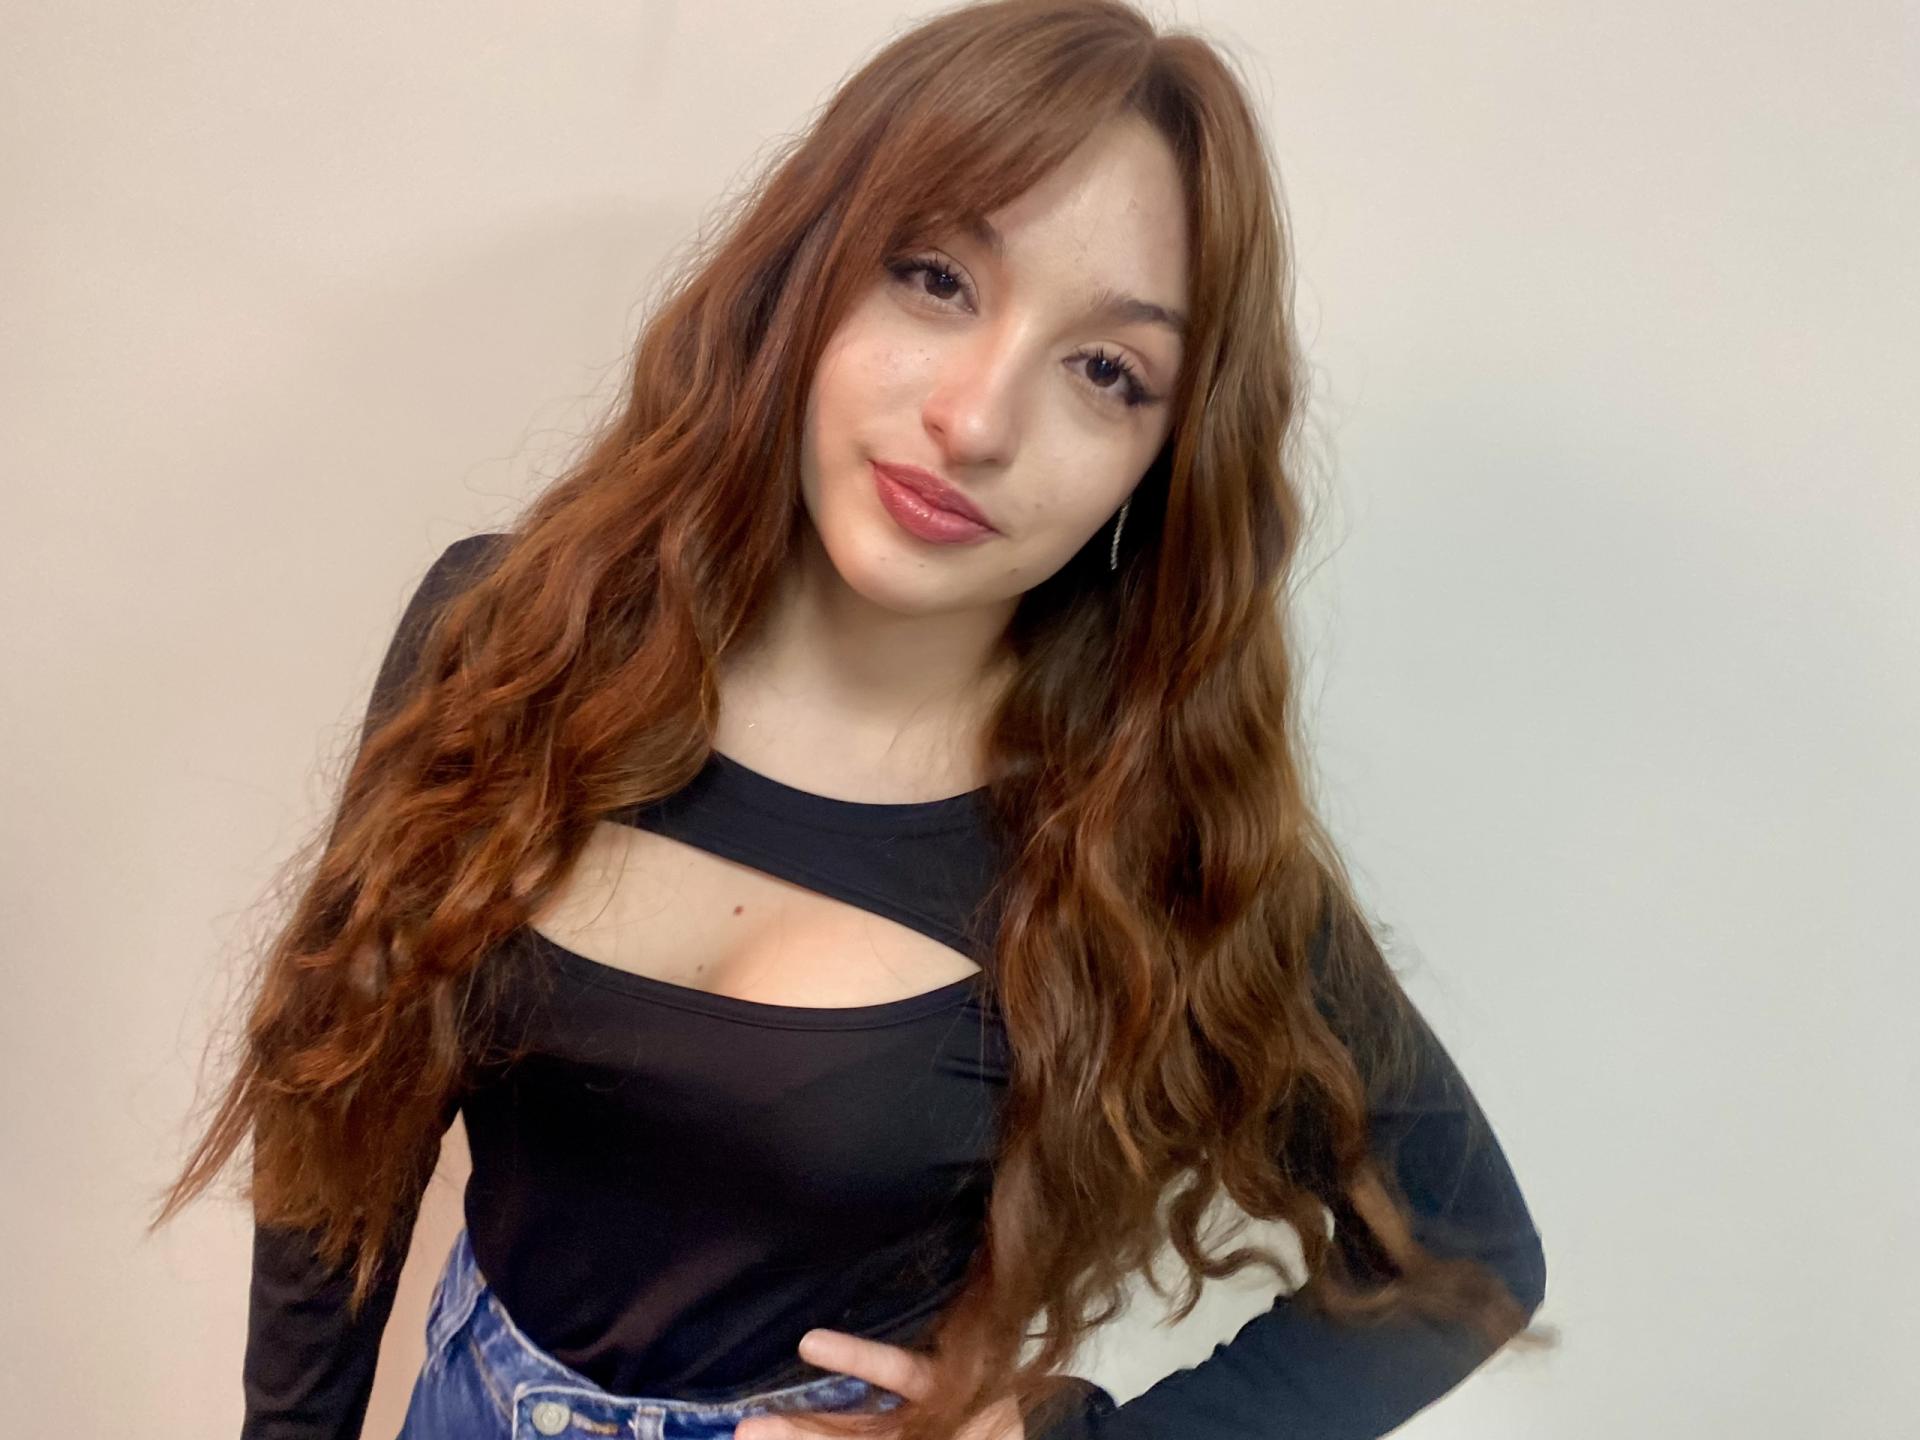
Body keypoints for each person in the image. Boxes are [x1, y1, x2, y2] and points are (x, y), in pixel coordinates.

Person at [154, 3, 1553, 1438]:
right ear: (811, 271)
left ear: (1167, 456)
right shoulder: (513, 637)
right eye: (936, 278)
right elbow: (343, 1094)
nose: (976, 420)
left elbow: (1469, 1256)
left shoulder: (1152, 830)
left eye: (1106, 371)